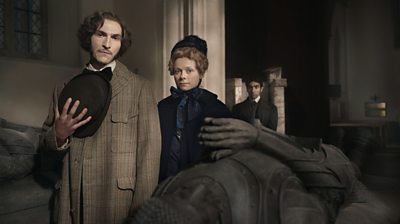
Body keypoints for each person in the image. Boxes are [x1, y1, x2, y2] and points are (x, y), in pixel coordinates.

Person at [131, 118, 397, 224]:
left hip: (279, 151)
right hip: (312, 174)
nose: (200, 188)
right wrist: (259, 138)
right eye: (202, 203)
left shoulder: (168, 188)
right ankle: (360, 150)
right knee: (347, 172)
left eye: (184, 193)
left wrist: (256, 136)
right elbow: (334, 186)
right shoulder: (280, 209)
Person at [40, 11, 161, 224]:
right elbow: (44, 152)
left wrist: (141, 215)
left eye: (115, 38)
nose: (107, 43)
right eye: (100, 34)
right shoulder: (63, 88)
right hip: (72, 200)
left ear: (121, 43)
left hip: (117, 204)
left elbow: (148, 158)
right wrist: (58, 136)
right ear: (89, 37)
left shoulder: (141, 88)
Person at [157, 35, 231, 182]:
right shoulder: (163, 107)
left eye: (189, 70)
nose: (182, 76)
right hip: (165, 184)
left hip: (200, 186)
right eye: (178, 71)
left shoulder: (216, 109)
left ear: (201, 72)